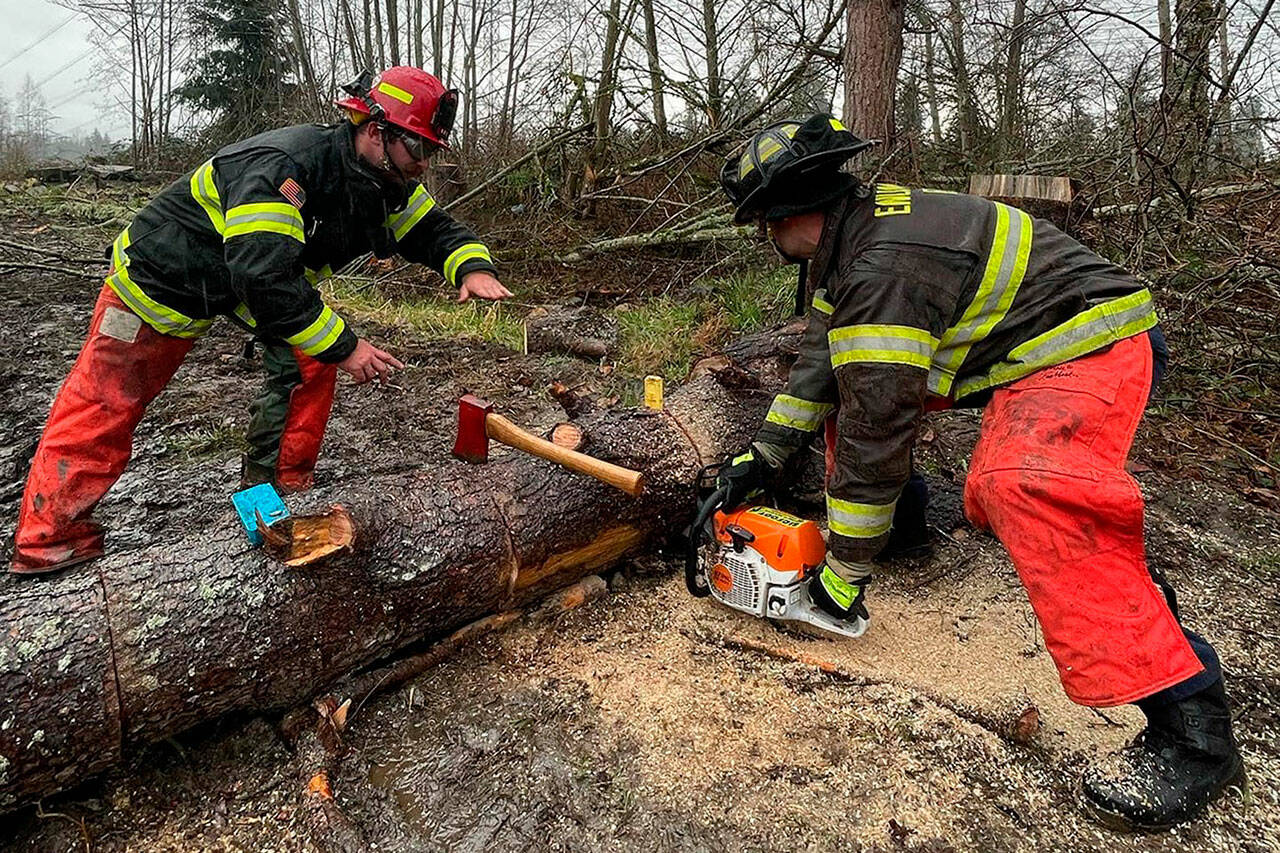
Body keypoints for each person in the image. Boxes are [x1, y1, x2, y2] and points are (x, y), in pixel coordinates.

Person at [714, 113, 1244, 831]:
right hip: (1032, 341)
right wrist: (765, 454)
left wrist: (841, 579)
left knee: (1029, 485)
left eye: (761, 225)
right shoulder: (859, 238)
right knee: (857, 382)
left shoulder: (879, 268)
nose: (764, 240)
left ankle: (1195, 728)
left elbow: (878, 428)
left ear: (787, 213)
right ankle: (901, 532)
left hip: (1088, 344)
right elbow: (823, 363)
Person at [11, 66, 511, 576]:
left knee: (309, 363)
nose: (423, 165)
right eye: (419, 150)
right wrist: (348, 347)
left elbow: (430, 228)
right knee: (108, 398)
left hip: (240, 282)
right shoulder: (285, 167)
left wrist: (470, 266)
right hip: (162, 279)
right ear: (377, 131)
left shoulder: (384, 178)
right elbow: (264, 277)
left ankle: (284, 492)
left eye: (430, 152)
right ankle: (49, 538)